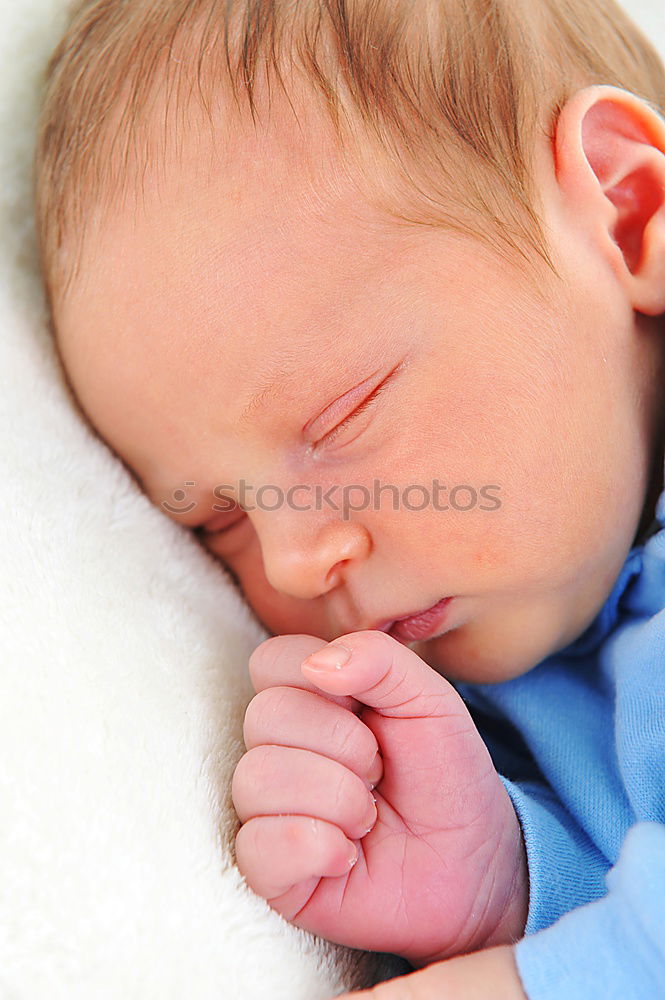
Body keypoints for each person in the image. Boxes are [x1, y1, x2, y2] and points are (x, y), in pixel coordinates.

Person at [33, 1, 665, 996]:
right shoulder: (508, 689)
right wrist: (506, 884)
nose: (290, 562)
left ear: (625, 217)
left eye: (337, 419)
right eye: (220, 523)